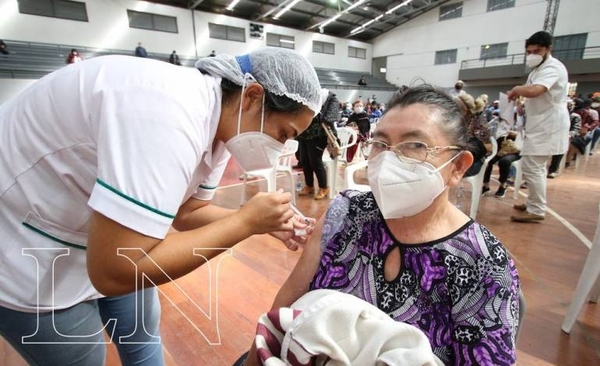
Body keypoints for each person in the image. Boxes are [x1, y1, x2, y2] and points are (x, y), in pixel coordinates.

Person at [0, 47, 322, 366]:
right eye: (282, 133)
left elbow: (188, 213)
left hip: (106, 232)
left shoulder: (226, 126)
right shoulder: (168, 114)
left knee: (140, 328)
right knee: (81, 354)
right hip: (29, 240)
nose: (280, 147)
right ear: (252, 96)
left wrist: (260, 222)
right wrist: (244, 224)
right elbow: (113, 271)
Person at [242, 84, 520, 366]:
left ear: (458, 166)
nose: (389, 159)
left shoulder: (484, 264)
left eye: (415, 145)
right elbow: (284, 308)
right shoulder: (347, 212)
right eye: (381, 144)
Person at [507, 30, 569, 223]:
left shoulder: (553, 68)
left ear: (548, 49)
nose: (532, 54)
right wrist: (523, 105)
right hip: (540, 122)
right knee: (533, 167)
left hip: (548, 125)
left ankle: (536, 209)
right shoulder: (537, 70)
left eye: (537, 50)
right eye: (529, 51)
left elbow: (537, 90)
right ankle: (534, 202)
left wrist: (517, 90)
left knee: (534, 168)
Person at [297, 89, 339, 200]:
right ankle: (309, 186)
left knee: (315, 161)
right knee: (304, 161)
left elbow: (330, 117)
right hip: (304, 133)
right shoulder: (306, 96)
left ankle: (323, 187)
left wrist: (320, 115)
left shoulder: (329, 97)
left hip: (319, 135)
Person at [454, 93, 491, 177]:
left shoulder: (478, 122)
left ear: (465, 109)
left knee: (447, 170)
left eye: (456, 107)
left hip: (474, 161)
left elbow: (488, 146)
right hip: (458, 158)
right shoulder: (458, 121)